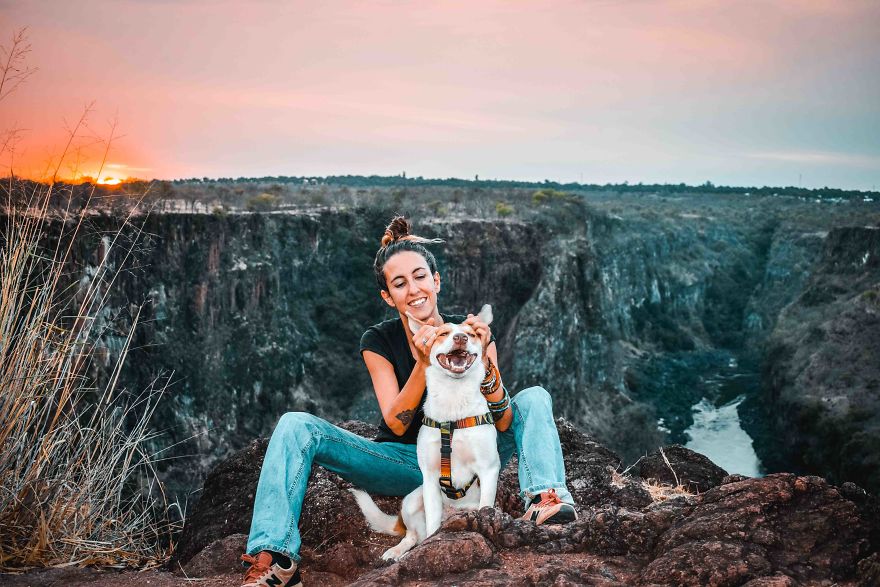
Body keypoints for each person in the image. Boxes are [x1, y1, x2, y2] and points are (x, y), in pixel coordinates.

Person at [240, 216, 576, 587]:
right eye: (399, 284)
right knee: (295, 425)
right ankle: (274, 557)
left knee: (533, 398)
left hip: (471, 453)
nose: (413, 289)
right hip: (404, 461)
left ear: (436, 281)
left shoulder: (468, 335)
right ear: (388, 296)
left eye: (420, 277)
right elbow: (396, 422)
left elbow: (503, 418)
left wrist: (483, 361)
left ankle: (545, 500)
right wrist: (424, 358)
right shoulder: (378, 341)